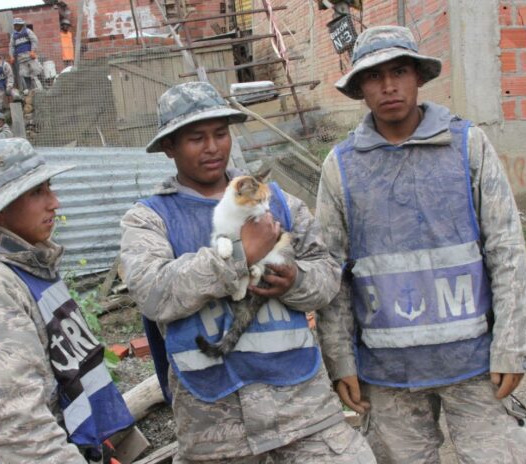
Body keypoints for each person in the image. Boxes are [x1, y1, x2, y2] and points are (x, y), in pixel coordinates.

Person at [119, 81, 375, 464]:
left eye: (220, 133)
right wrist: (239, 256)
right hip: (214, 428)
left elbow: (327, 275)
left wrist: (296, 280)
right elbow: (153, 294)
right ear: (169, 147)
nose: (212, 147)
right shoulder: (149, 219)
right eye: (196, 138)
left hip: (304, 411)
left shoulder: (277, 202)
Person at [316, 25, 526, 463]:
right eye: (374, 76)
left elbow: (506, 248)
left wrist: (512, 344)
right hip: (387, 375)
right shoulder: (340, 167)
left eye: (399, 71)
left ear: (418, 76)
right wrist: (340, 360)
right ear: (360, 88)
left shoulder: (467, 146)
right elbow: (332, 273)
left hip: (475, 365)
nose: (388, 86)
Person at [0, 138, 134, 463]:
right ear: (0, 208)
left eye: (49, 187)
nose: (54, 202)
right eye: (36, 192)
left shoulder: (26, 263)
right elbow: (21, 429)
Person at [9, 17, 43, 91]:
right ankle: (30, 90)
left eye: (17, 24)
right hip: (21, 59)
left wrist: (33, 51)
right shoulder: (13, 35)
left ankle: (42, 88)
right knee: (25, 75)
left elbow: (34, 40)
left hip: (30, 57)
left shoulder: (27, 31)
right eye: (14, 25)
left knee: (36, 72)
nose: (15, 26)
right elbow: (11, 46)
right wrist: (11, 56)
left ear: (21, 25)